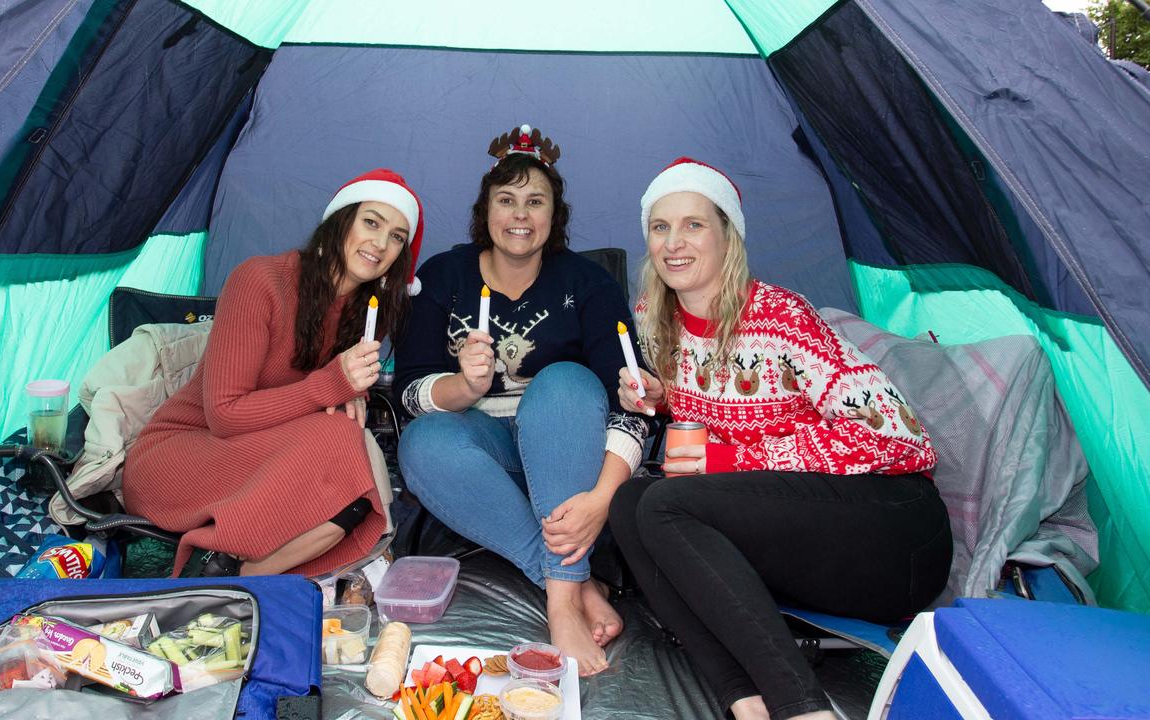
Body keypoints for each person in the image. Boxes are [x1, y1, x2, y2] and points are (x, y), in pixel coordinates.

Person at [608, 158, 952, 720]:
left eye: (694, 224)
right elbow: (718, 403)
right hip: (796, 533)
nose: (674, 242)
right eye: (660, 226)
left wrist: (728, 460)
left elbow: (901, 440)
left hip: (894, 532)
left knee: (666, 504)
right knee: (630, 503)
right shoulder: (652, 317)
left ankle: (803, 708)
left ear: (729, 236)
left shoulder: (779, 316)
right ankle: (742, 697)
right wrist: (661, 397)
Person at [394, 126, 648, 676]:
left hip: (563, 448)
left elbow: (631, 399)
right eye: (506, 200)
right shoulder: (442, 276)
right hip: (481, 446)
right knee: (422, 443)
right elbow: (410, 391)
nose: (520, 215)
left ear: (555, 215)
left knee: (565, 381)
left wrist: (604, 495)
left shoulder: (590, 284)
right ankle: (574, 586)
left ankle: (560, 604)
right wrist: (464, 386)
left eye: (536, 201)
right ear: (484, 210)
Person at [124, 168, 425, 578]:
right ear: (341, 221)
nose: (380, 243)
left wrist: (352, 391)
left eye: (396, 237)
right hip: (180, 457)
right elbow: (225, 415)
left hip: (260, 461)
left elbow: (313, 397)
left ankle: (239, 576)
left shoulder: (364, 315)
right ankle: (221, 561)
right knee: (338, 441)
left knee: (354, 497)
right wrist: (331, 385)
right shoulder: (260, 281)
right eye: (371, 222)